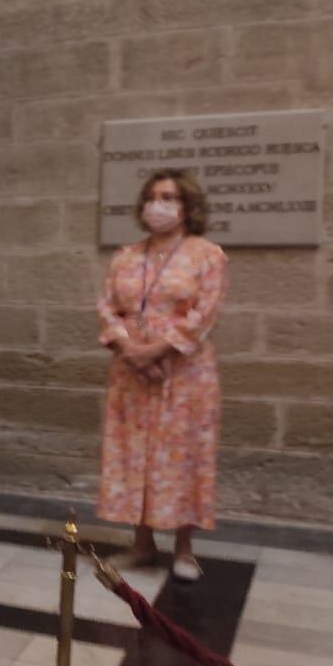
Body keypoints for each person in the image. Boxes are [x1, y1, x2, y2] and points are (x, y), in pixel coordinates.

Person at [96, 168, 227, 583]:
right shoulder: (126, 256)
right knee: (135, 453)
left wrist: (155, 350)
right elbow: (106, 306)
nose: (159, 205)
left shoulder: (207, 255)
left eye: (169, 197)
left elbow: (204, 313)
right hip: (130, 373)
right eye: (153, 197)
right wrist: (131, 351)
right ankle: (142, 544)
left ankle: (184, 548)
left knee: (182, 455)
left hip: (184, 375)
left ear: (187, 206)